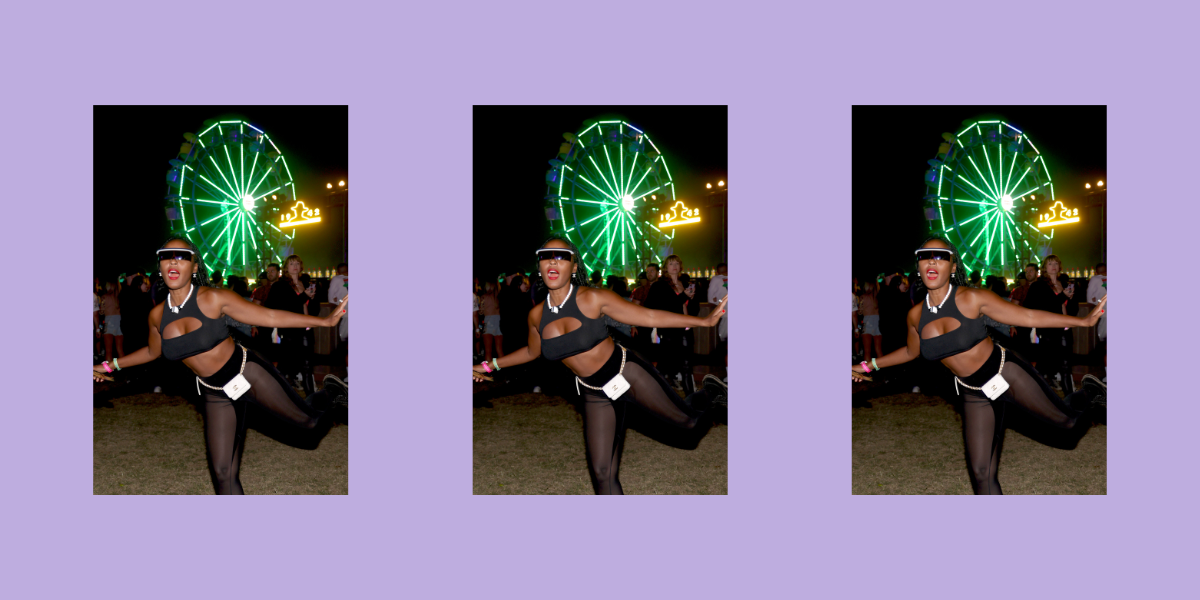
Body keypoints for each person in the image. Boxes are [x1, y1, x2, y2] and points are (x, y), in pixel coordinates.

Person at [92, 237, 349, 495]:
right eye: (166, 255)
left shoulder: (214, 298)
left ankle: (332, 394)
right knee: (223, 473)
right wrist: (110, 365)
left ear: (194, 267)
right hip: (214, 392)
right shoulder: (156, 315)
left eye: (182, 256)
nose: (173, 260)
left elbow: (269, 315)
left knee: (309, 424)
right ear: (160, 266)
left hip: (248, 373)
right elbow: (151, 351)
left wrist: (325, 322)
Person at [851, 236, 1107, 495]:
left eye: (940, 256)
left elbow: (1028, 316)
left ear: (953, 267)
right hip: (973, 392)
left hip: (1007, 373)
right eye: (925, 255)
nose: (932, 260)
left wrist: (1083, 322)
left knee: (1068, 424)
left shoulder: (972, 298)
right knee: (982, 473)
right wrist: (869, 365)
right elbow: (909, 351)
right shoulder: (915, 315)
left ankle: (1090, 393)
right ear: (918, 266)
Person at [473, 238, 729, 495]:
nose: (552, 260)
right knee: (602, 473)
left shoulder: (593, 298)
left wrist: (705, 322)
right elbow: (531, 351)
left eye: (561, 255)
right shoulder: (536, 315)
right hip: (594, 392)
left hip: (627, 373)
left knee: (688, 424)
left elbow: (649, 316)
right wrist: (489, 365)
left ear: (574, 267)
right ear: (540, 267)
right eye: (545, 256)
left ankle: (712, 394)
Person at [266, 255, 318, 392]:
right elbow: (285, 306)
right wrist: (305, 296)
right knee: (285, 364)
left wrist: (311, 298)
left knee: (307, 367)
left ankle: (311, 401)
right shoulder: (280, 285)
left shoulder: (305, 283)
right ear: (286, 268)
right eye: (291, 264)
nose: (295, 266)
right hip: (290, 330)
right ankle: (273, 395)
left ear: (301, 266)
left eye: (297, 263)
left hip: (306, 327)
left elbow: (313, 308)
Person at [1024, 255, 1075, 385]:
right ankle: (1035, 392)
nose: (1054, 266)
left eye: (1056, 263)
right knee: (1044, 362)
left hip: (1063, 326)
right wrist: (1064, 296)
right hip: (1048, 329)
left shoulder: (1062, 283)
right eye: (1050, 264)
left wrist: (1070, 298)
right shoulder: (1038, 285)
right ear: (1045, 267)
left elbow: (1066, 306)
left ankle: (1068, 397)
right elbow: (1045, 306)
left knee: (1065, 363)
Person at [1086, 262, 1107, 381]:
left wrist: (1096, 300)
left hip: (1105, 316)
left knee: (1106, 346)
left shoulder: (1095, 279)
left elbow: (1089, 299)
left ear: (1096, 272)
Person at [328, 262, 349, 382]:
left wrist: (338, 300)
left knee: (347, 347)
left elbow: (331, 299)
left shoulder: (336, 279)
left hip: (347, 316)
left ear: (337, 272)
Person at [479, 281, 503, 364]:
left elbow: (481, 312)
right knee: (499, 349)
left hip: (488, 321)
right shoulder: (499, 297)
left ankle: (488, 371)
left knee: (488, 350)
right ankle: (503, 368)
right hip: (499, 321)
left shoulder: (484, 297)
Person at [99, 281, 124, 362]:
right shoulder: (120, 297)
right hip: (119, 321)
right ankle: (123, 369)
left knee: (108, 350)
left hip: (109, 321)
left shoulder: (104, 297)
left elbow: (101, 312)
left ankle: (108, 370)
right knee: (120, 349)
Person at [858, 280, 882, 364]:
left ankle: (867, 371)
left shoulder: (863, 297)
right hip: (878, 322)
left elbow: (860, 312)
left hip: (867, 322)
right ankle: (882, 368)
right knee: (878, 349)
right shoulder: (878, 297)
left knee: (867, 350)